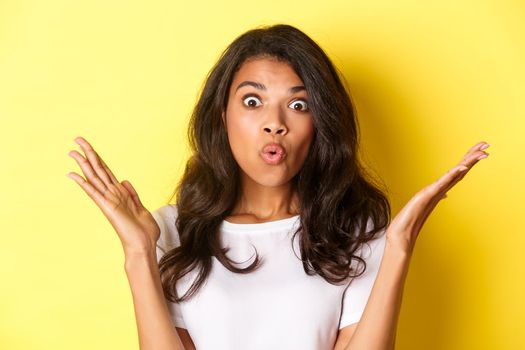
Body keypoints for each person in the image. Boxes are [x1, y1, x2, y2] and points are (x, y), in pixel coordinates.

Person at [66, 24, 489, 350]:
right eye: (253, 101)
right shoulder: (169, 232)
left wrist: (399, 244)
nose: (275, 122)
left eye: (298, 104)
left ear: (319, 122)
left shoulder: (354, 230)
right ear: (222, 115)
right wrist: (139, 254)